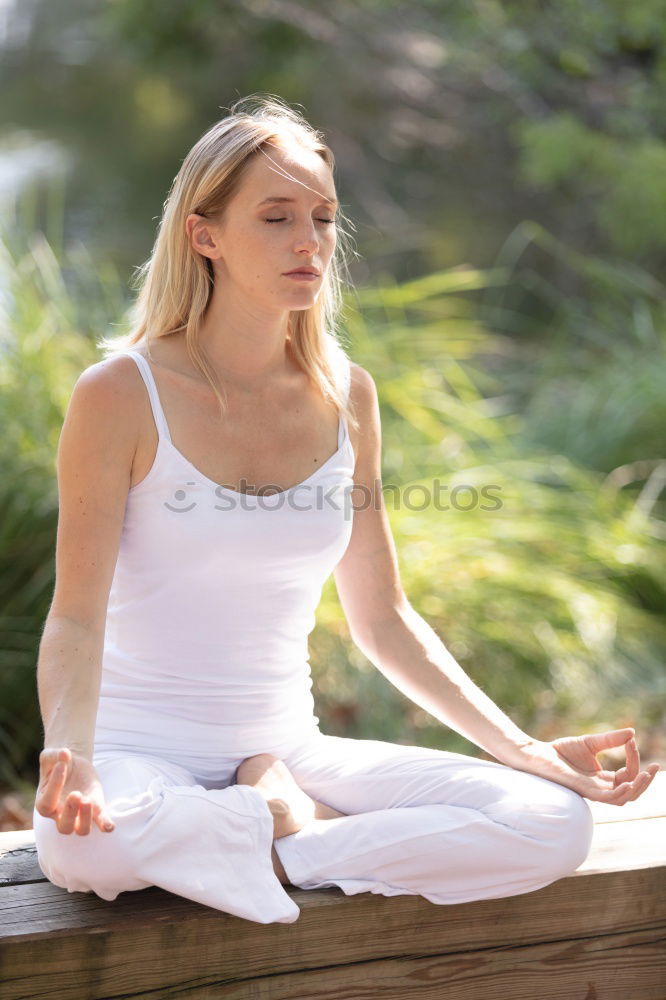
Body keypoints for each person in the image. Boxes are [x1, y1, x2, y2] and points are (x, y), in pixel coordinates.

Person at [32, 94, 660, 925]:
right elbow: (75, 620)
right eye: (276, 216)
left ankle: (286, 833)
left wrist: (524, 750)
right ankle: (279, 819)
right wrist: (70, 755)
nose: (309, 242)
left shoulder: (346, 397)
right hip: (139, 753)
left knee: (552, 822)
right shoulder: (121, 395)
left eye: (323, 218)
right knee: (85, 846)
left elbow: (384, 617)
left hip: (293, 749)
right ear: (204, 234)